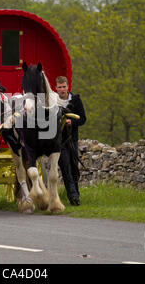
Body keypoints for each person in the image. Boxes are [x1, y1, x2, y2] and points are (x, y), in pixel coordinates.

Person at [55, 76, 86, 206]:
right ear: (56, 88)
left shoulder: (76, 100)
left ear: (68, 87)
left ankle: (76, 195)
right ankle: (72, 196)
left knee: (74, 166)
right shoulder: (52, 102)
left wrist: (71, 122)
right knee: (65, 166)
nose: (62, 89)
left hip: (72, 139)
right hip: (59, 141)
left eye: (64, 87)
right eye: (60, 87)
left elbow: (83, 119)